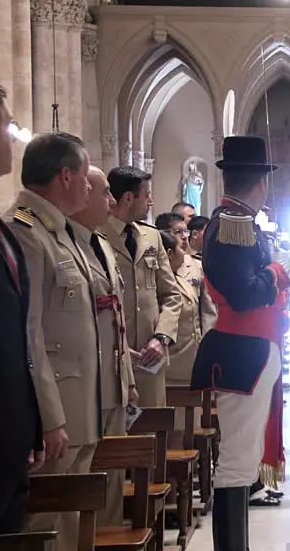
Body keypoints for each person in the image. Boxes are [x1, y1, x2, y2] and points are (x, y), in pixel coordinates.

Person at [189, 136, 290, 550]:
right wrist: (276, 271)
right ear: (260, 183)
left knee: (243, 460)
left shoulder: (238, 221)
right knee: (235, 463)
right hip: (242, 353)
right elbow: (245, 293)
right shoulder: (233, 224)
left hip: (250, 350)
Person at [4, 132, 99, 551]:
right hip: (57, 412)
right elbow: (29, 330)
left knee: (70, 527)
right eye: (84, 177)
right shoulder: (26, 231)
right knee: (45, 528)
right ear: (65, 176)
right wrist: (51, 416)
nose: (90, 188)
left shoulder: (59, 232)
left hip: (79, 407)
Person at [0, 78, 43, 535]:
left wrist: (31, 426)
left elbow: (18, 334)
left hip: (6, 444)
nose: (12, 139)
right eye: (7, 128)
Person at [68, 166, 139, 527]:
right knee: (71, 498)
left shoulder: (101, 246)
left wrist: (127, 379)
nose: (111, 201)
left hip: (110, 385)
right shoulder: (57, 240)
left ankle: (109, 533)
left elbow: (117, 320)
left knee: (111, 481)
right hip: (78, 390)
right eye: (103, 193)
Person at [102, 167, 182, 407]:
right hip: (113, 361)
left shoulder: (151, 237)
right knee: (118, 441)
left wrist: (162, 337)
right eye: (146, 195)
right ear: (128, 197)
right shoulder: (97, 235)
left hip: (150, 360)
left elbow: (171, 295)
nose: (151, 201)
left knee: (154, 436)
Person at [160, 230, 204, 448]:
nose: (183, 252)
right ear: (168, 254)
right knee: (172, 434)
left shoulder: (181, 280)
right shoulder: (161, 285)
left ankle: (182, 479)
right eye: (179, 248)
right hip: (172, 370)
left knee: (187, 431)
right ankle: (174, 481)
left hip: (189, 366)